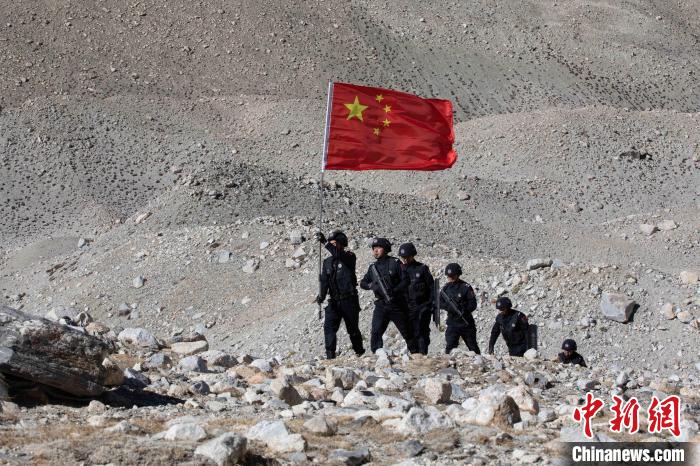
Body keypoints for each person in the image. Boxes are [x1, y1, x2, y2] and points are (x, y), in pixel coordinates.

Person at [360, 237, 416, 353]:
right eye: (374, 248)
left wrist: (394, 291)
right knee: (376, 331)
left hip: (397, 304)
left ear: (385, 249)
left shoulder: (395, 263)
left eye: (378, 248)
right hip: (381, 305)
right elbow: (363, 283)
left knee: (407, 332)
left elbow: (406, 280)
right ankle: (377, 355)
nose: (375, 250)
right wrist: (371, 285)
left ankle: (417, 354)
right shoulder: (373, 267)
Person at [315, 230, 365, 359]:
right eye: (331, 244)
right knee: (329, 328)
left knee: (352, 329)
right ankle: (330, 356)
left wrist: (325, 242)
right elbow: (324, 281)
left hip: (349, 300)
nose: (332, 246)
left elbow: (338, 254)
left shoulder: (349, 257)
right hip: (334, 301)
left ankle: (359, 352)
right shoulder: (327, 262)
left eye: (334, 243)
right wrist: (321, 296)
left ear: (341, 243)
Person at [398, 242, 434, 355]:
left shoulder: (422, 269)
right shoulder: (399, 270)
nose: (405, 259)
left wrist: (430, 305)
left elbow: (432, 288)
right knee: (409, 332)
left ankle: (422, 354)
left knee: (422, 331)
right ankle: (414, 354)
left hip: (422, 306)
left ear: (413, 255)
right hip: (406, 307)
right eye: (403, 257)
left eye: (407, 257)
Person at [438, 263, 480, 354]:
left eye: (453, 276)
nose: (450, 278)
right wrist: (449, 307)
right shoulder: (445, 289)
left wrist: (464, 310)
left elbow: (473, 304)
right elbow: (439, 302)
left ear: (458, 275)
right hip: (452, 323)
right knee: (450, 348)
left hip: (466, 323)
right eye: (449, 276)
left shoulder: (466, 287)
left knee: (473, 347)